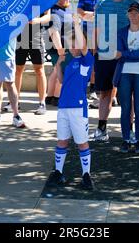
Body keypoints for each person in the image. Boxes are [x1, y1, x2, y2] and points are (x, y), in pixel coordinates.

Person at [48, 15, 94, 190]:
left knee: (82, 142)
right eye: (71, 43)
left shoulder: (86, 60)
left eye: (75, 43)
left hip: (77, 108)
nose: (73, 47)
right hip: (63, 107)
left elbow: (82, 47)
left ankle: (86, 175)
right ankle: (58, 173)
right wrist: (58, 65)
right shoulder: (69, 62)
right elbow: (61, 81)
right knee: (62, 141)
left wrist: (76, 24)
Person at [91, 0, 136, 142]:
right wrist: (94, 50)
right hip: (104, 54)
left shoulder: (132, 5)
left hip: (125, 56)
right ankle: (101, 128)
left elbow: (137, 30)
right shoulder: (103, 5)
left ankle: (128, 130)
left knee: (127, 94)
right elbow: (96, 29)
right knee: (105, 93)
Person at [113, 2, 139, 154]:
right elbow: (117, 52)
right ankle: (125, 140)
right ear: (127, 15)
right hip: (124, 73)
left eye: (137, 13)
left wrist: (125, 54)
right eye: (131, 13)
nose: (134, 15)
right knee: (125, 108)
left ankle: (138, 141)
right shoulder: (121, 32)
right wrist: (130, 54)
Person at [15, 10, 51, 115]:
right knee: (18, 69)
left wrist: (37, 20)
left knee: (39, 70)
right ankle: (14, 102)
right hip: (20, 36)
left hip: (36, 37)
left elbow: (48, 16)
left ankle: (42, 103)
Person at [77, 0, 103, 99]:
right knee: (86, 59)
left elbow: (104, 15)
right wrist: (94, 15)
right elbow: (80, 13)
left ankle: (94, 87)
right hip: (86, 31)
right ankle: (85, 87)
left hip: (100, 32)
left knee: (96, 60)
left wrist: (90, 15)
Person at [45, 0, 73, 106]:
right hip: (60, 47)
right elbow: (53, 32)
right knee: (62, 72)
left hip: (62, 46)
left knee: (56, 71)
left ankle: (50, 97)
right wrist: (60, 49)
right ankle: (57, 98)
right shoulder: (54, 12)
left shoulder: (64, 10)